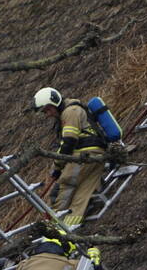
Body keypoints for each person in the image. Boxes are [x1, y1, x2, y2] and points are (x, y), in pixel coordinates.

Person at [32, 87, 105, 227]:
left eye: (47, 110)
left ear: (55, 102)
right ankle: (69, 228)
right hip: (95, 155)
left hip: (84, 156)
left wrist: (57, 167)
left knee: (61, 190)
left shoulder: (70, 112)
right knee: (81, 196)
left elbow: (69, 142)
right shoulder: (69, 112)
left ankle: (52, 227)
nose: (47, 114)